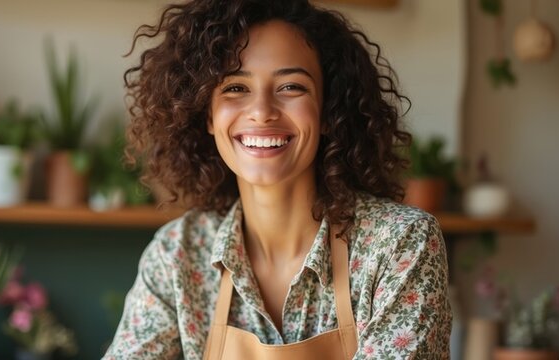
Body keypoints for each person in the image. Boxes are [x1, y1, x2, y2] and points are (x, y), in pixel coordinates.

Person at [104, 0, 451, 359]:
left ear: (328, 110)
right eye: (235, 88)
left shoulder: (398, 245)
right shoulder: (178, 255)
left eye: (291, 87)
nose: (262, 112)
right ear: (207, 115)